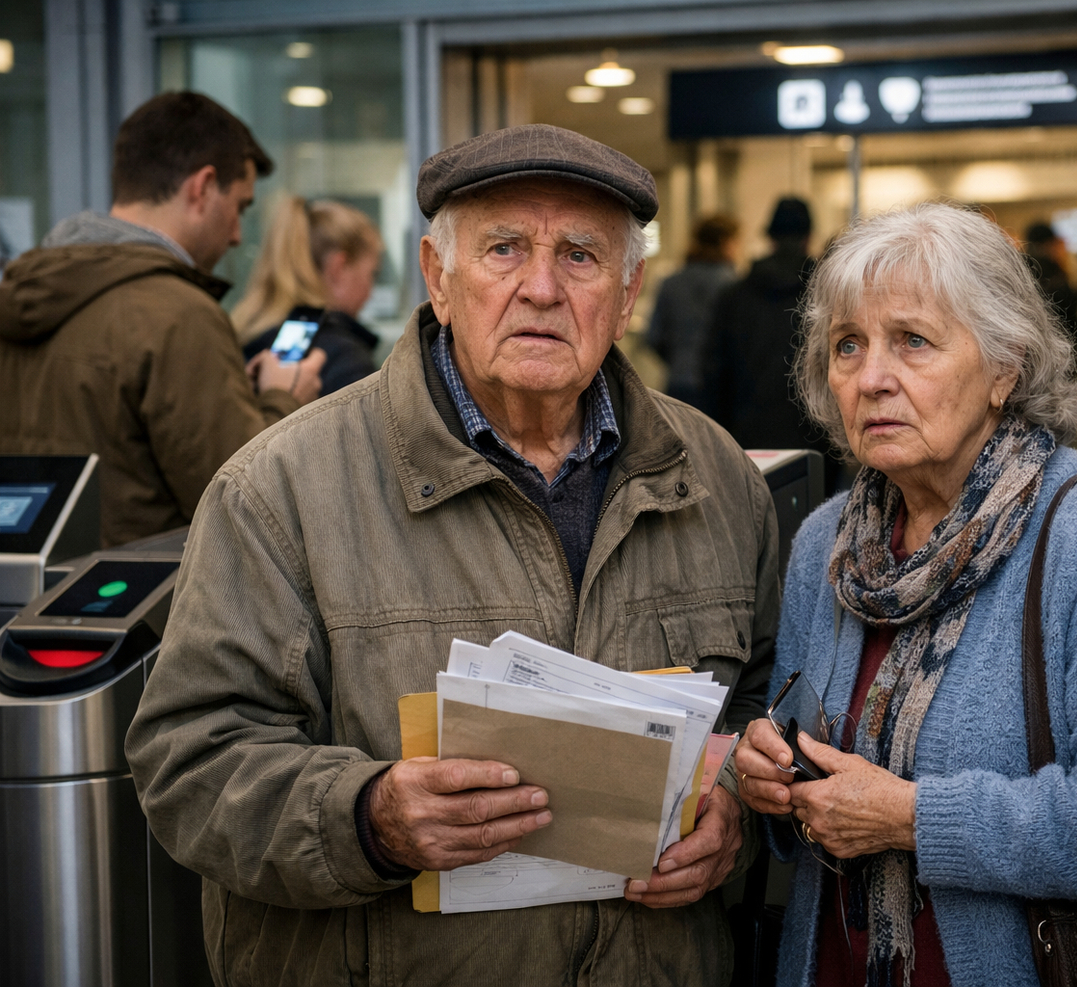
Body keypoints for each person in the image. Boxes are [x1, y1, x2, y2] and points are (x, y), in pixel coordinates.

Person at [125, 124, 780, 987]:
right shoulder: (278, 488)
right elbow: (190, 762)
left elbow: (768, 710)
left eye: (580, 257)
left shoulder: (720, 479)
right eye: (504, 249)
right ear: (439, 280)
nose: (541, 289)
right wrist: (368, 818)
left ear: (627, 296)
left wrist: (733, 811)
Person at [732, 203, 1077, 986]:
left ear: (1005, 366)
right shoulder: (826, 542)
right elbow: (791, 773)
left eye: (913, 341)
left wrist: (907, 816)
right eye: (848, 346)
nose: (872, 378)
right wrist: (763, 776)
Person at [0, 91, 322, 547]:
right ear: (203, 187)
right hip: (149, 605)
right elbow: (247, 507)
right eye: (240, 207)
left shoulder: (23, 293)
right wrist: (283, 398)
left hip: (30, 603)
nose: (235, 236)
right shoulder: (178, 314)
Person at [705, 198, 832, 480]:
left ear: (770, 237)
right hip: (815, 443)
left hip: (746, 442)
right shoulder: (825, 299)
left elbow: (714, 375)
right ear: (809, 237)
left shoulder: (734, 298)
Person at [234, 196, 385, 395]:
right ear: (337, 269)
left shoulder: (241, 336)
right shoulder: (346, 361)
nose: (370, 293)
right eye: (371, 275)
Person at [646, 213, 739, 409]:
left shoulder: (671, 283)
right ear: (725, 242)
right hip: (721, 389)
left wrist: (679, 358)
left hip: (678, 382)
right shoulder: (734, 286)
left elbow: (653, 336)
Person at [1023, 221, 1077, 361]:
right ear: (1047, 244)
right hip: (1060, 344)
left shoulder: (1022, 268)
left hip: (1033, 346)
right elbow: (1069, 305)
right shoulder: (1051, 269)